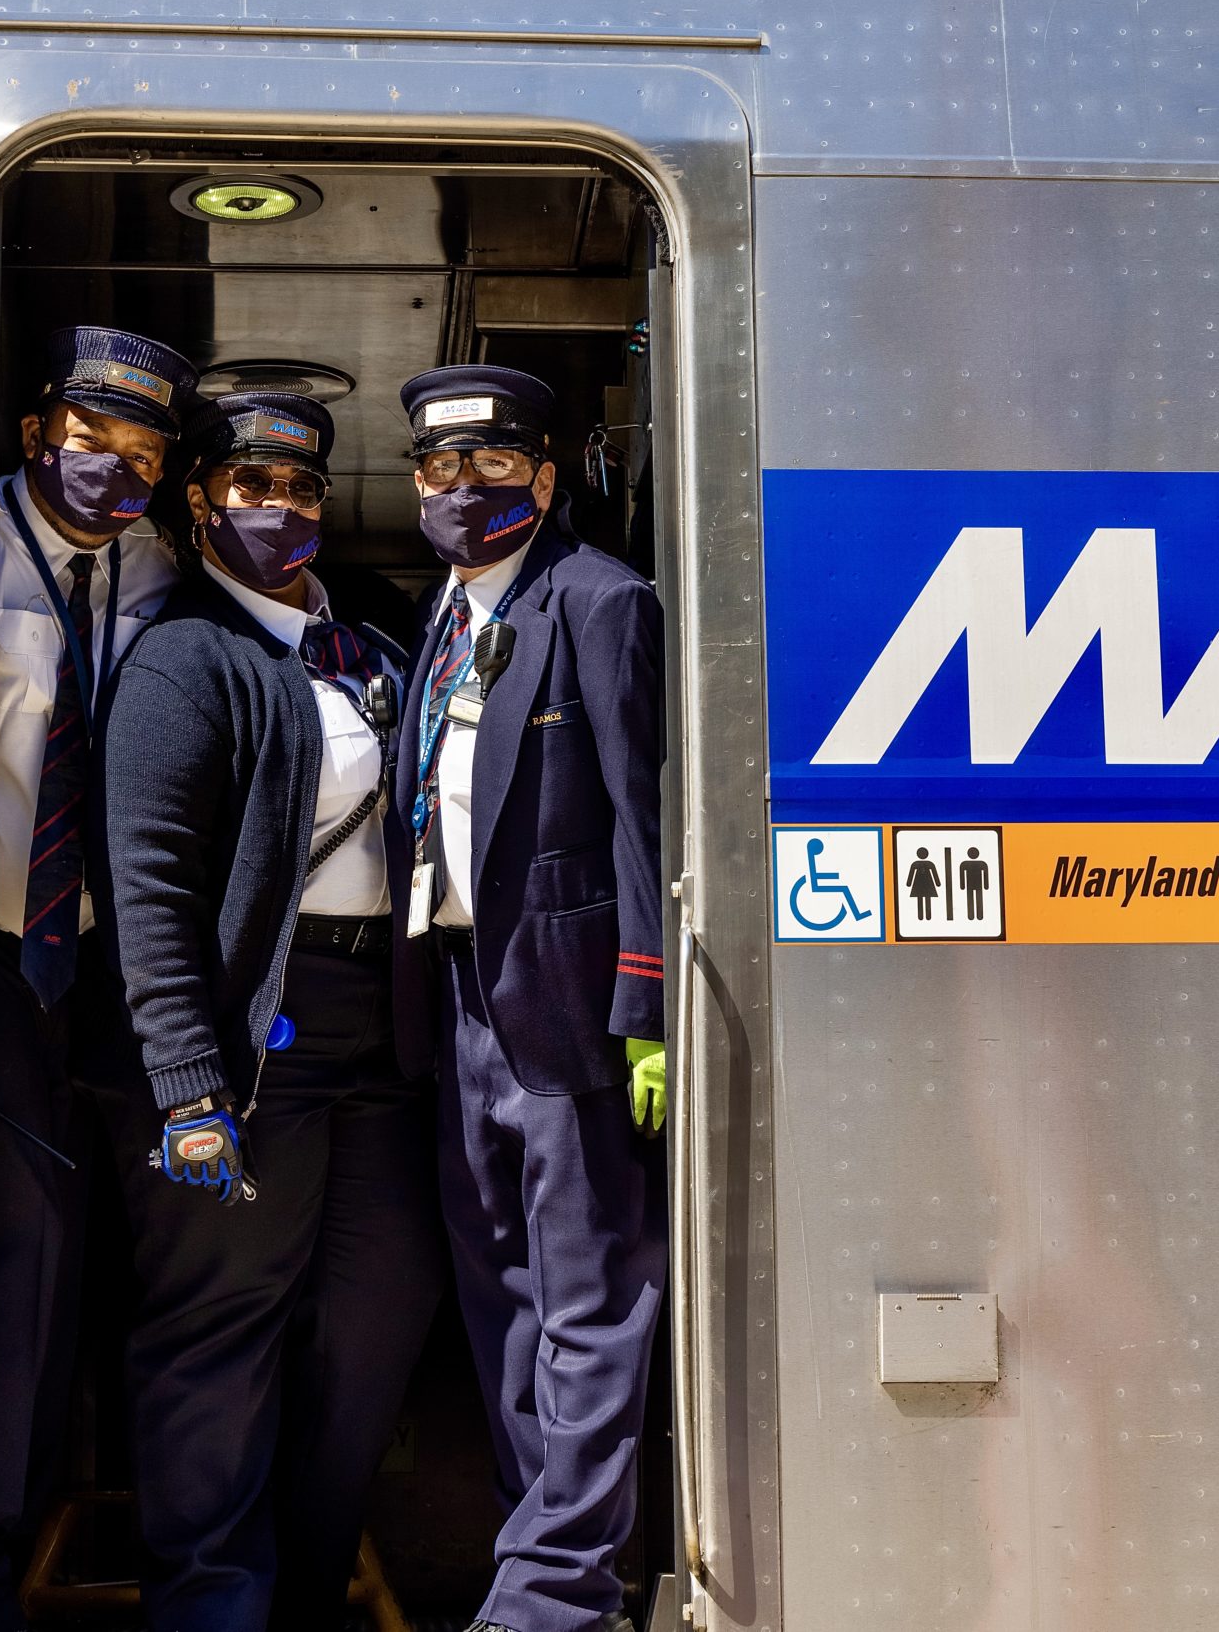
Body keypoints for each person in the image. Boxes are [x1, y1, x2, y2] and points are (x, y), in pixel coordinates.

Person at [97, 391, 444, 1630]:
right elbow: (147, 887)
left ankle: (305, 1587)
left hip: (385, 1035)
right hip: (252, 1038)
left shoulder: (379, 634)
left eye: (302, 490)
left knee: (380, 1311)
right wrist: (186, 1081)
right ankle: (211, 1601)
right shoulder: (183, 657)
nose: (283, 510)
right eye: (253, 488)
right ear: (198, 504)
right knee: (219, 1326)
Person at [390, 364, 666, 1632]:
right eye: (440, 469)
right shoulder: (440, 616)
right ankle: (538, 1548)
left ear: (546, 477)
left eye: (493, 464)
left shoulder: (600, 603)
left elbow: (639, 813)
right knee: (498, 1287)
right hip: (454, 994)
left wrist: (644, 1001)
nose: (463, 489)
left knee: (588, 1294)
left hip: (562, 1004)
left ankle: (557, 1589)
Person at [0, 325, 193, 1629]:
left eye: (141, 451)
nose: (111, 469)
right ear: (33, 434)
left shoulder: (157, 571)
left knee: (120, 1256)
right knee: (20, 1258)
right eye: (89, 436)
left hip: (119, 965)